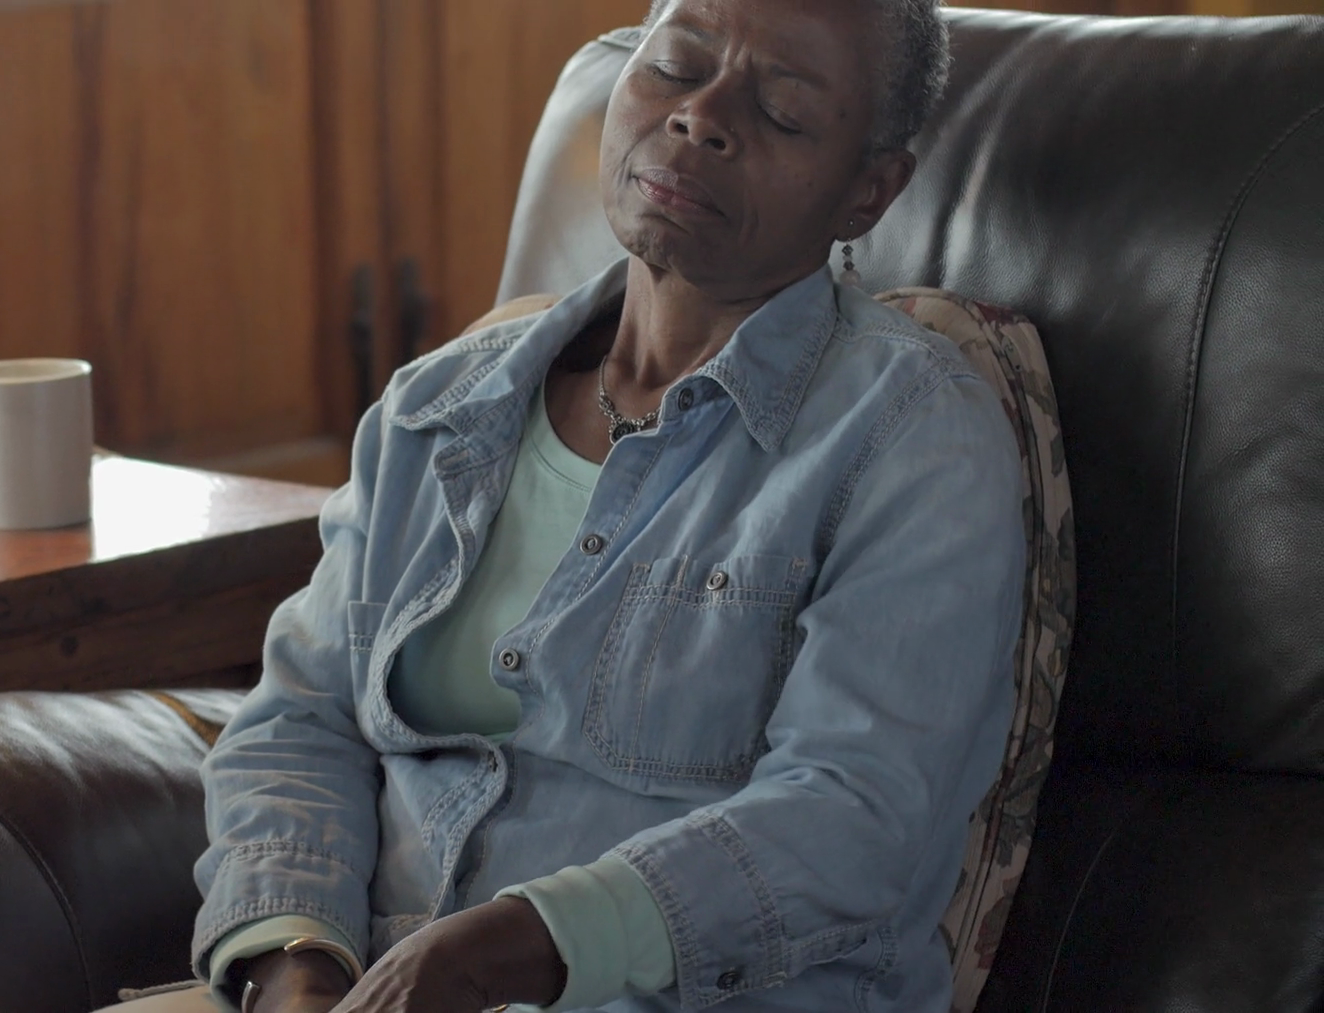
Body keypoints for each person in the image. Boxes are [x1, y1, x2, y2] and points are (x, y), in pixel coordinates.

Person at [112, 0, 1023, 1009]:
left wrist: (497, 952)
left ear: (868, 190)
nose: (701, 116)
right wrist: (300, 968)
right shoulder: (438, 406)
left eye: (784, 111)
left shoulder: (911, 435)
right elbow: (302, 717)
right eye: (676, 64)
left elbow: (852, 816)